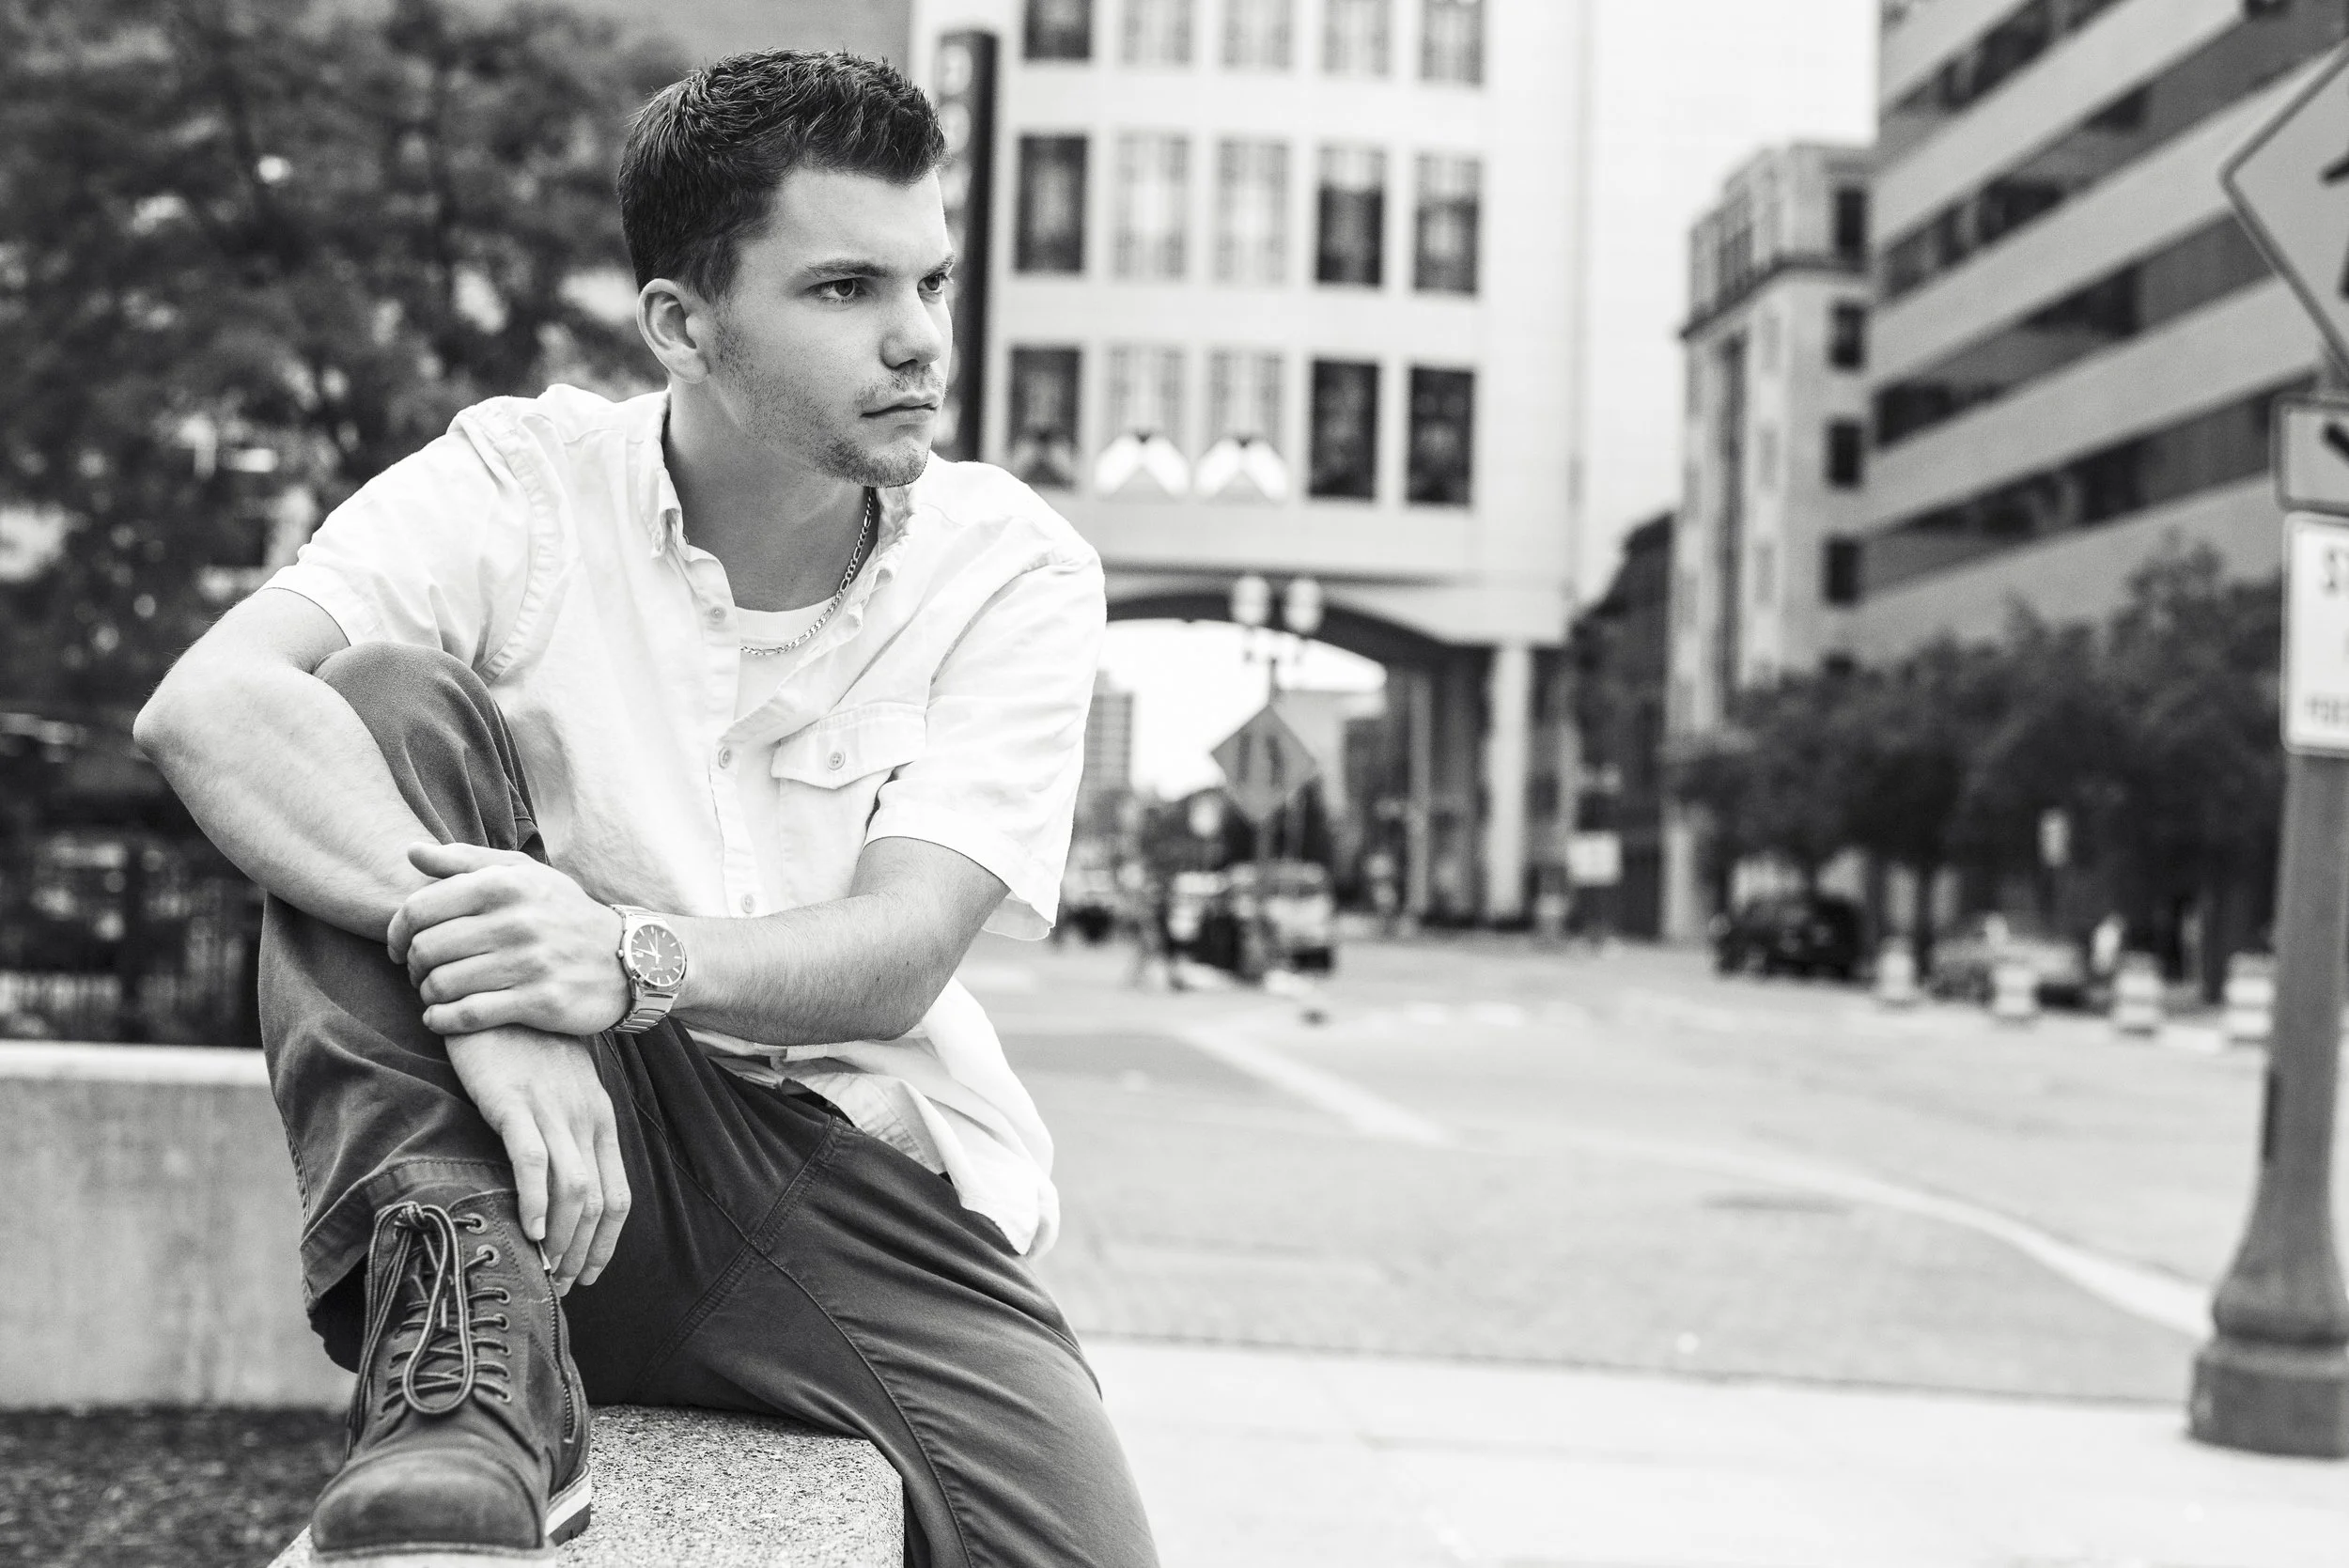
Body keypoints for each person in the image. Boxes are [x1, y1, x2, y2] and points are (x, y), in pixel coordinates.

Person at [135, 51, 1156, 1568]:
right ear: (682, 324)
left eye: (930, 281)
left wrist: (616, 963)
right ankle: (470, 1394)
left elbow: (901, 950)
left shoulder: (1011, 566)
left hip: (862, 1197)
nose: (919, 339)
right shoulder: (521, 485)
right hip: (546, 1169)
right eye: (846, 289)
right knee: (376, 700)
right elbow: (207, 705)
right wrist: (498, 990)